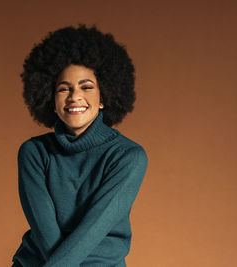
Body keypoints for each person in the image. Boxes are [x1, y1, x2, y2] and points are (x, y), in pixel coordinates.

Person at [12, 25, 148, 267]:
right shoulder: (33, 153)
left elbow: (93, 230)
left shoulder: (128, 156)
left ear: (104, 97)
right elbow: (45, 235)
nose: (74, 96)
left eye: (86, 87)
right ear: (50, 101)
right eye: (64, 89)